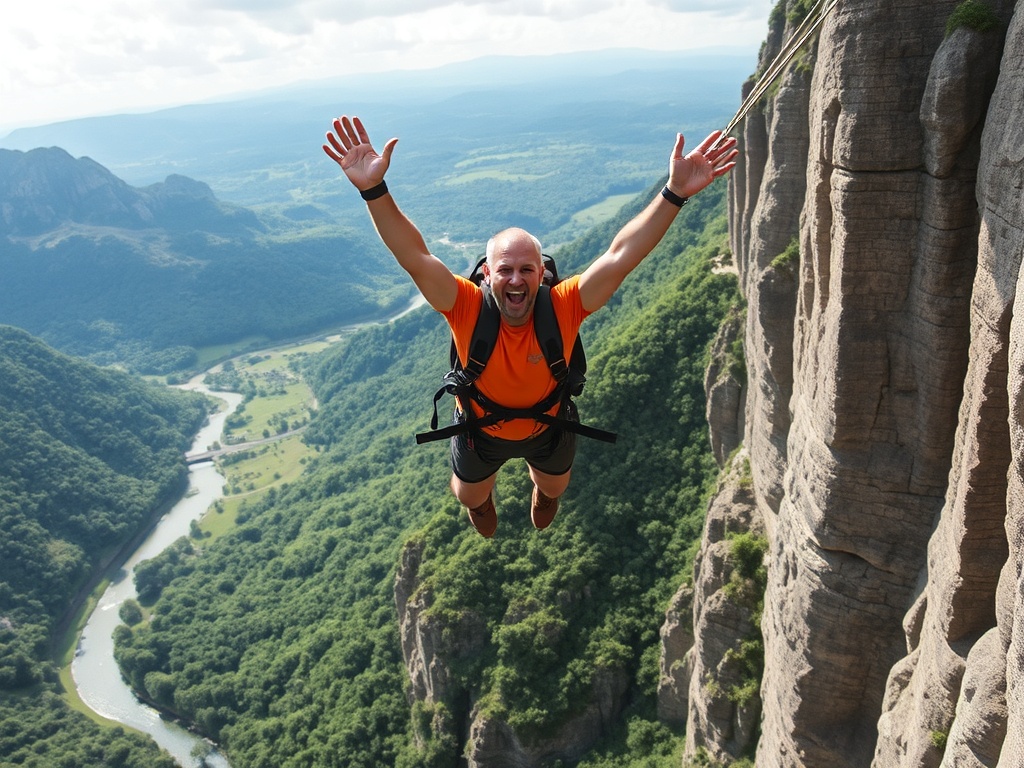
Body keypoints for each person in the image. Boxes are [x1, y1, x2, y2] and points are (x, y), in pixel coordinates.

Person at [323, 115, 737, 538]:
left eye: (526, 270)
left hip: (548, 425)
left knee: (554, 487)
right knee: (468, 496)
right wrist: (373, 190)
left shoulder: (564, 305)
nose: (516, 280)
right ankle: (482, 500)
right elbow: (415, 256)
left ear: (542, 274)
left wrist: (674, 193)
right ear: (486, 275)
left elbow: (621, 255)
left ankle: (543, 494)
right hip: (479, 429)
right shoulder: (465, 306)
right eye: (505, 270)